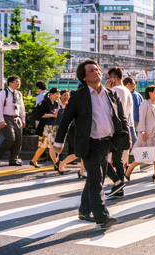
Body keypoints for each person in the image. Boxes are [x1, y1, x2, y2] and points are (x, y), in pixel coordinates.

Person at [50, 59, 128, 229]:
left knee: (94, 178)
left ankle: (83, 209)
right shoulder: (79, 96)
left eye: (97, 69)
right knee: (96, 178)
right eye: (91, 70)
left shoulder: (111, 93)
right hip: (89, 144)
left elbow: (121, 118)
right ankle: (102, 216)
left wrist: (126, 135)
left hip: (107, 143)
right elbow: (66, 120)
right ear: (84, 77)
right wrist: (58, 142)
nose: (96, 72)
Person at [104, 67, 135, 198]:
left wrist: (106, 89)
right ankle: (120, 189)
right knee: (117, 161)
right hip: (124, 129)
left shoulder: (115, 90)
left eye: (109, 77)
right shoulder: (127, 91)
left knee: (100, 158)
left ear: (113, 78)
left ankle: (117, 183)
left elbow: (109, 108)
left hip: (113, 130)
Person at [125, 85, 155, 182]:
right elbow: (141, 119)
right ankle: (129, 170)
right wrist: (143, 132)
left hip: (154, 134)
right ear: (150, 93)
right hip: (145, 134)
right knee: (142, 155)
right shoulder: (144, 104)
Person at [0, 76, 25, 166]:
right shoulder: (3, 93)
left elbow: (22, 107)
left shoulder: (18, 93)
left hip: (17, 118)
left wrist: (23, 119)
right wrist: (1, 120)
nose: (19, 84)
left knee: (18, 140)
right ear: (10, 83)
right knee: (10, 139)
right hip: (6, 117)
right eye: (16, 82)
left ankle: (13, 159)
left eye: (19, 82)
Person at [55, 90, 86, 178]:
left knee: (85, 152)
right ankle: (62, 163)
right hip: (74, 130)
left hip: (84, 130)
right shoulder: (74, 104)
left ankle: (81, 171)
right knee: (79, 153)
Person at [30, 88, 61, 168]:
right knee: (51, 146)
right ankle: (56, 164)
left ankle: (33, 160)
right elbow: (41, 115)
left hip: (52, 126)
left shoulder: (56, 103)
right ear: (50, 94)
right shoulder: (45, 102)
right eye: (56, 94)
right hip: (45, 127)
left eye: (58, 94)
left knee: (43, 146)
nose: (57, 96)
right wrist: (53, 115)